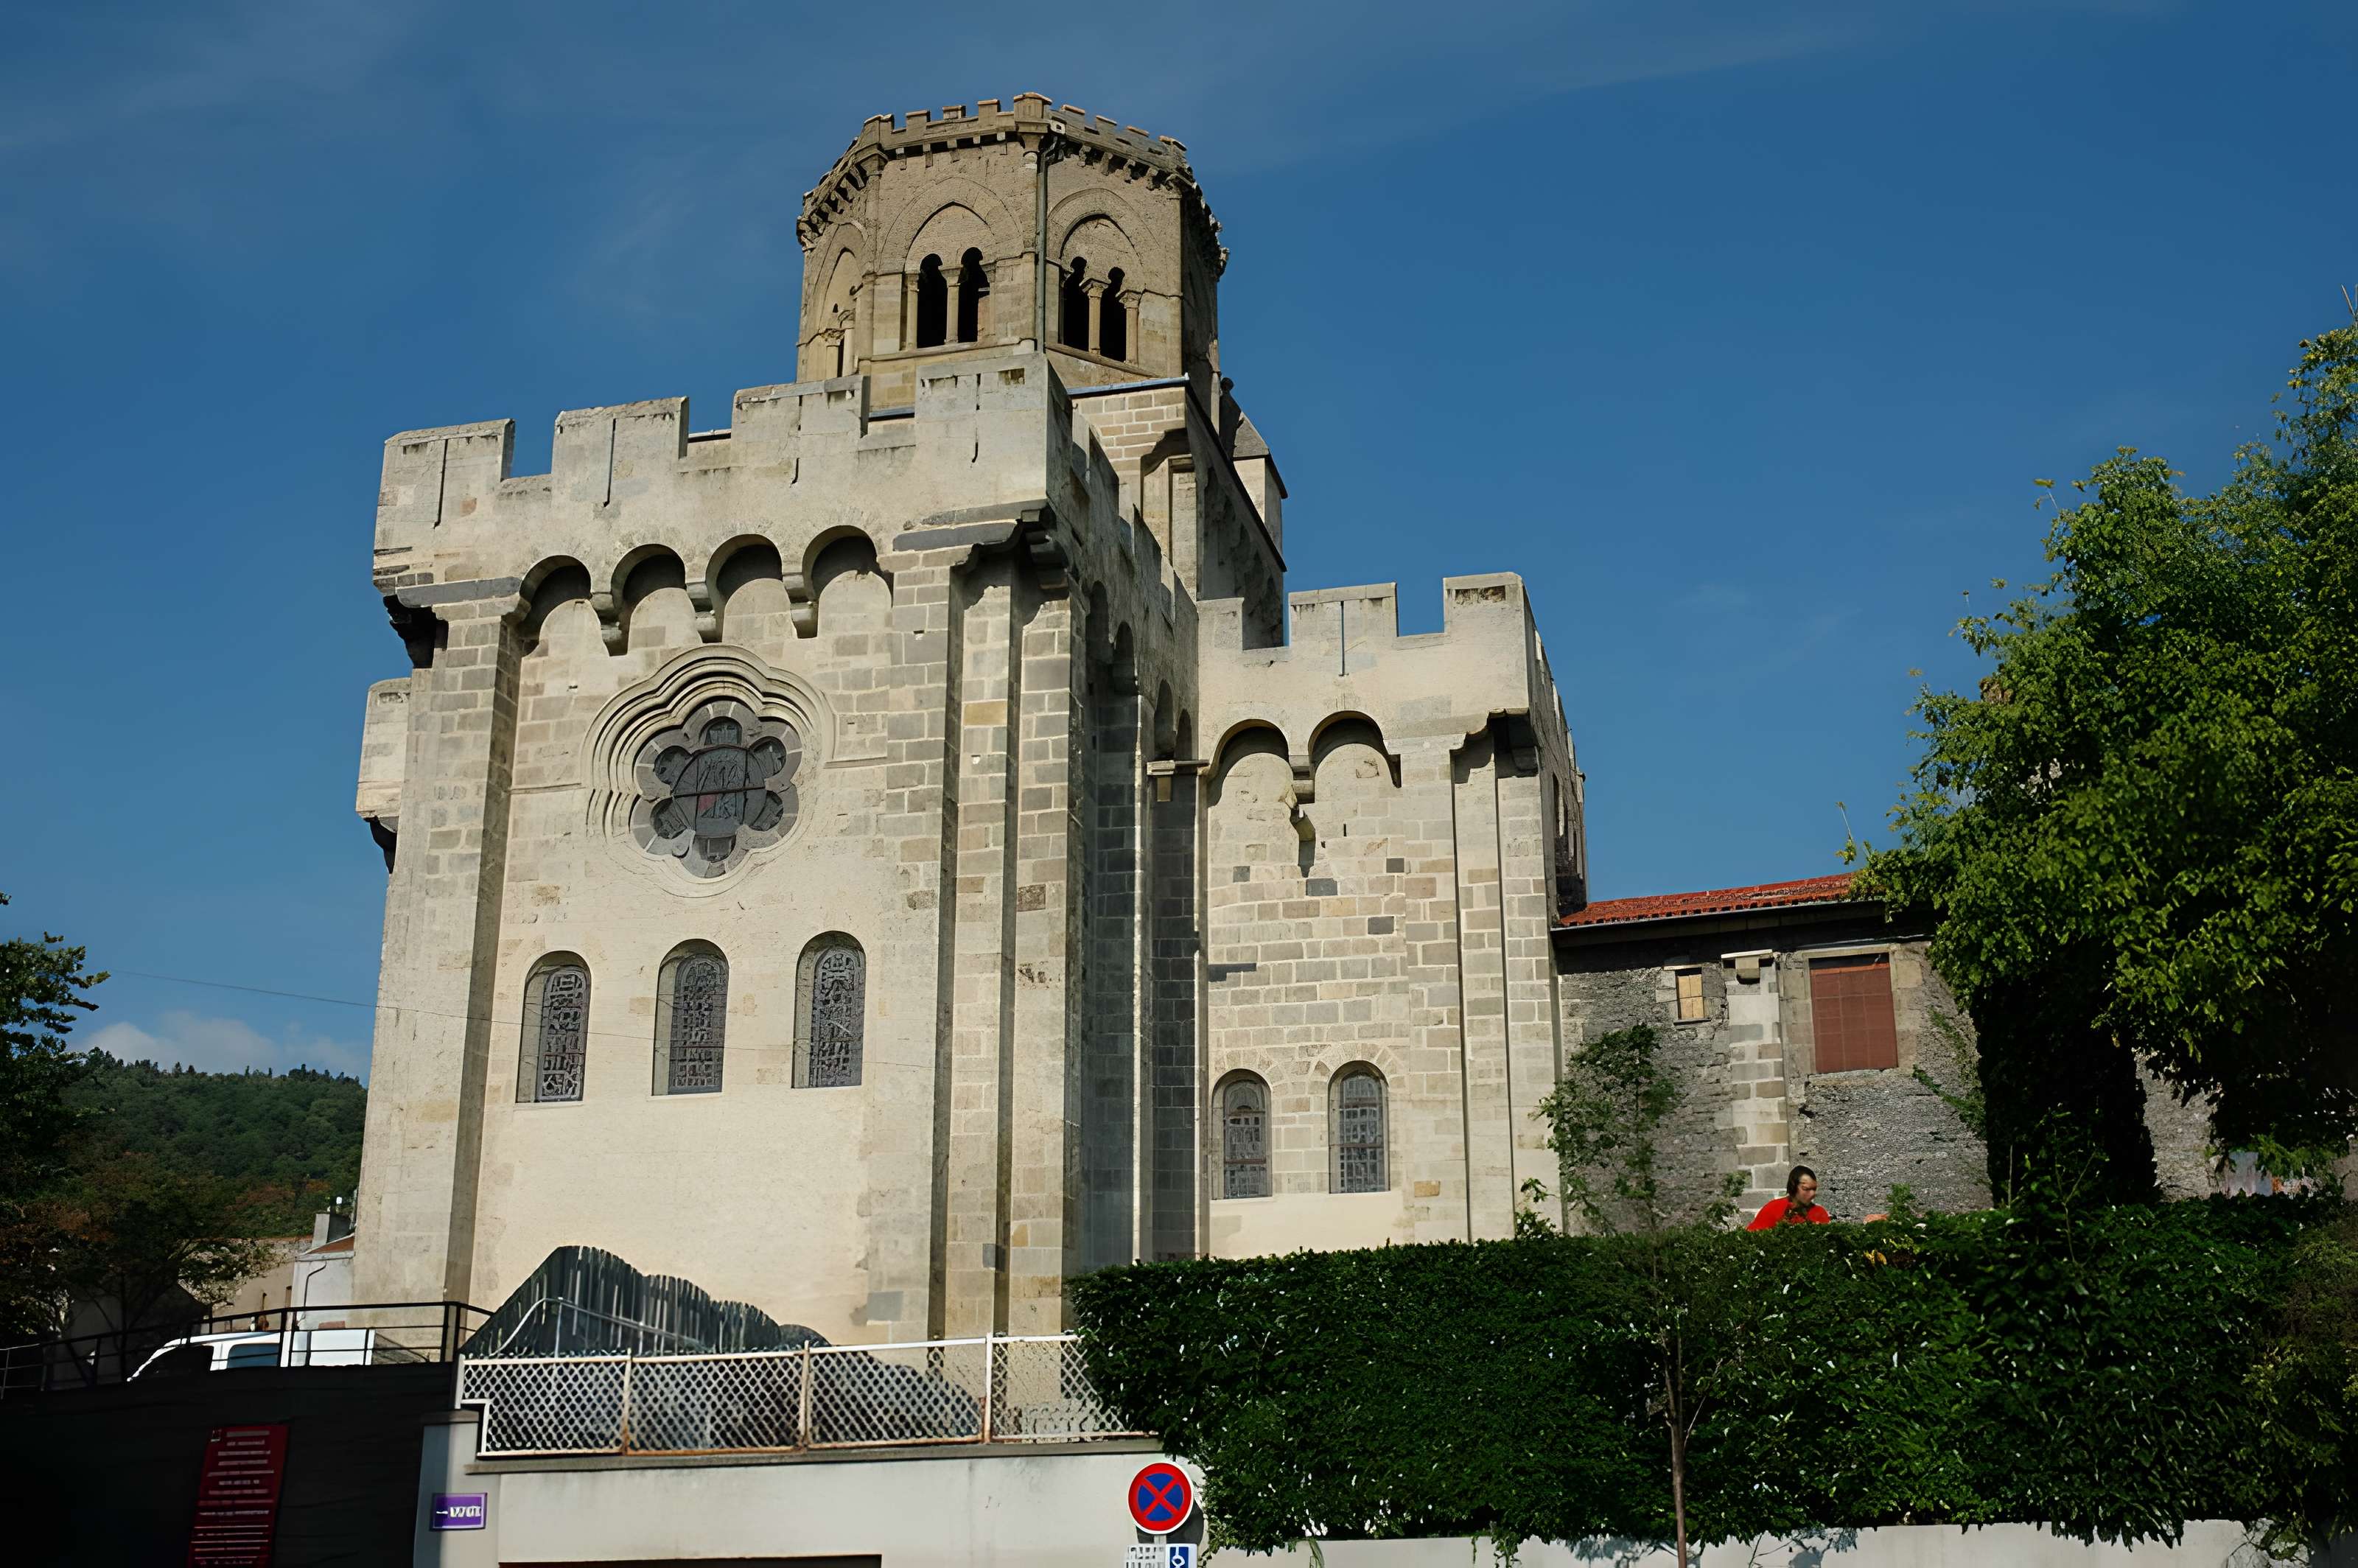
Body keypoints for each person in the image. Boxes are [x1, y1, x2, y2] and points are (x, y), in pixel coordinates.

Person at [1746, 1166, 1831, 1230]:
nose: (1812, 1194)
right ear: (1793, 1186)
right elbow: (1753, 1235)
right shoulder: (1773, 1208)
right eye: (1806, 1189)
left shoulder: (1820, 1213)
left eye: (1814, 1189)